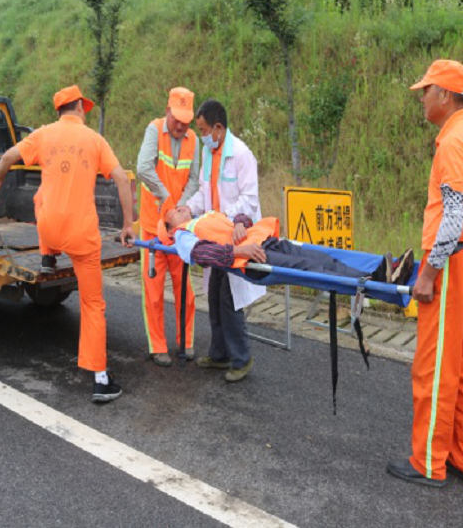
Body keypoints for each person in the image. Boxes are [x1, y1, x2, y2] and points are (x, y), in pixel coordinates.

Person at [0, 85, 136, 403]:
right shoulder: (94, 140)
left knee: (42, 194)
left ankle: (47, 256)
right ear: (80, 107)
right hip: (82, 235)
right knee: (92, 304)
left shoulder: (43, 135)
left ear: (59, 110)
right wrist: (127, 225)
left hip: (50, 230)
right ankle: (100, 380)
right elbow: (123, 180)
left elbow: (7, 157)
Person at [387, 60, 463, 488]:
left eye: (426, 91)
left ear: (446, 95)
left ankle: (428, 462)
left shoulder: (452, 142)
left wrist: (428, 274)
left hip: (452, 265)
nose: (422, 98)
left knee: (433, 369)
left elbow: (452, 217)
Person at [183, 99, 265, 382]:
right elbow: (204, 193)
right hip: (216, 237)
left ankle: (241, 358)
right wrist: (189, 208)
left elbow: (249, 199)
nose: (202, 136)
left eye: (203, 130)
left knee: (230, 299)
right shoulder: (209, 154)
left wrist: (223, 218)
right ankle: (219, 354)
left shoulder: (241, 154)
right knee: (215, 294)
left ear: (218, 127)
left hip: (236, 237)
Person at [159, 203, 414, 286]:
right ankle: (378, 281)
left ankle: (381, 272)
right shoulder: (182, 236)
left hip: (269, 242)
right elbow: (202, 254)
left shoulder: (206, 216)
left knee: (324, 259)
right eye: (174, 212)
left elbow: (243, 217)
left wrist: (238, 223)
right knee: (311, 268)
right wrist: (240, 250)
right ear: (170, 229)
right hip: (256, 257)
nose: (180, 207)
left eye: (179, 206)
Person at [136, 87, 200, 367]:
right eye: (176, 119)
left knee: (184, 287)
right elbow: (143, 168)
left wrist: (180, 209)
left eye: (186, 121)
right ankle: (157, 346)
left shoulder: (193, 139)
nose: (180, 126)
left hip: (179, 229)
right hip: (153, 227)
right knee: (153, 289)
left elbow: (195, 179)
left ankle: (186, 341)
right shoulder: (154, 131)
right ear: (167, 111)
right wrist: (167, 203)